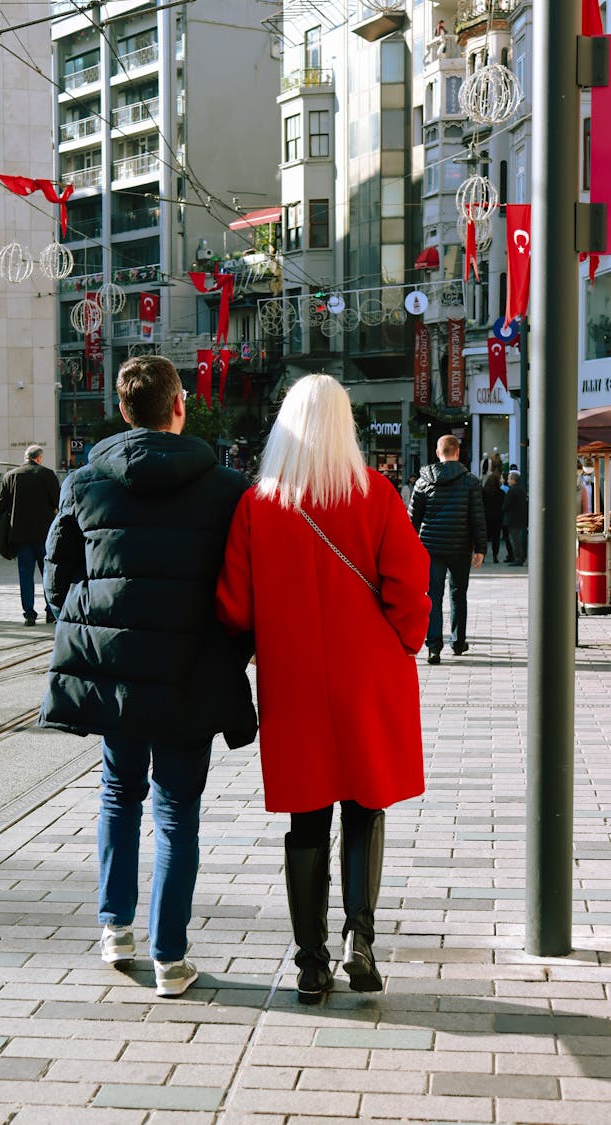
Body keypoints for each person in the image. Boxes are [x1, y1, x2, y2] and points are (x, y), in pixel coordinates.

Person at [39, 355, 257, 998]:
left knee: (118, 792)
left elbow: (56, 582)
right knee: (177, 812)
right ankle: (170, 956)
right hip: (191, 674)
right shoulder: (227, 487)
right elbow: (244, 588)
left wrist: (99, 626)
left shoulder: (83, 483)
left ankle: (115, 929)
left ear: (123, 409)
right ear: (179, 406)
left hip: (116, 674)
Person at [216, 374, 430, 1004]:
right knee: (365, 805)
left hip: (296, 679)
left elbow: (233, 605)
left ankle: (310, 962)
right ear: (347, 426)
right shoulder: (377, 494)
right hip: (368, 673)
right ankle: (360, 936)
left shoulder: (260, 503)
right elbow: (409, 583)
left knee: (306, 817)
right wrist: (404, 642)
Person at [408, 434, 486, 664]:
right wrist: (480, 548)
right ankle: (458, 642)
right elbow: (477, 517)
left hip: (430, 548)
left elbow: (413, 518)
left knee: (433, 596)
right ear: (458, 452)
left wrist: (410, 547)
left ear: (437, 452)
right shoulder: (470, 481)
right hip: (460, 547)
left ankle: (433, 647)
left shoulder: (423, 481)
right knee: (458, 594)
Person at [0, 444, 60, 625]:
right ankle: (50, 611)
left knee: (25, 574)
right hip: (45, 535)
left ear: (26, 457)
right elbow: (58, 501)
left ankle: (29, 614)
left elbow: (1, 503)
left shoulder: (11, 476)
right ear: (39, 458)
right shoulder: (47, 474)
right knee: (48, 573)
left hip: (21, 534)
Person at [503, 470, 528, 566]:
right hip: (520, 518)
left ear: (513, 480)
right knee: (517, 538)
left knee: (514, 539)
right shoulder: (521, 490)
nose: (507, 480)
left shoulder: (512, 490)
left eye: (509, 478)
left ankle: (518, 558)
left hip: (513, 519)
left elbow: (506, 505)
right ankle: (520, 557)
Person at [482, 471, 505, 563]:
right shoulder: (501, 493)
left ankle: (482, 556)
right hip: (497, 518)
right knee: (496, 538)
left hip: (485, 518)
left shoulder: (483, 492)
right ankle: (495, 556)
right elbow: (503, 506)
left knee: (484, 539)